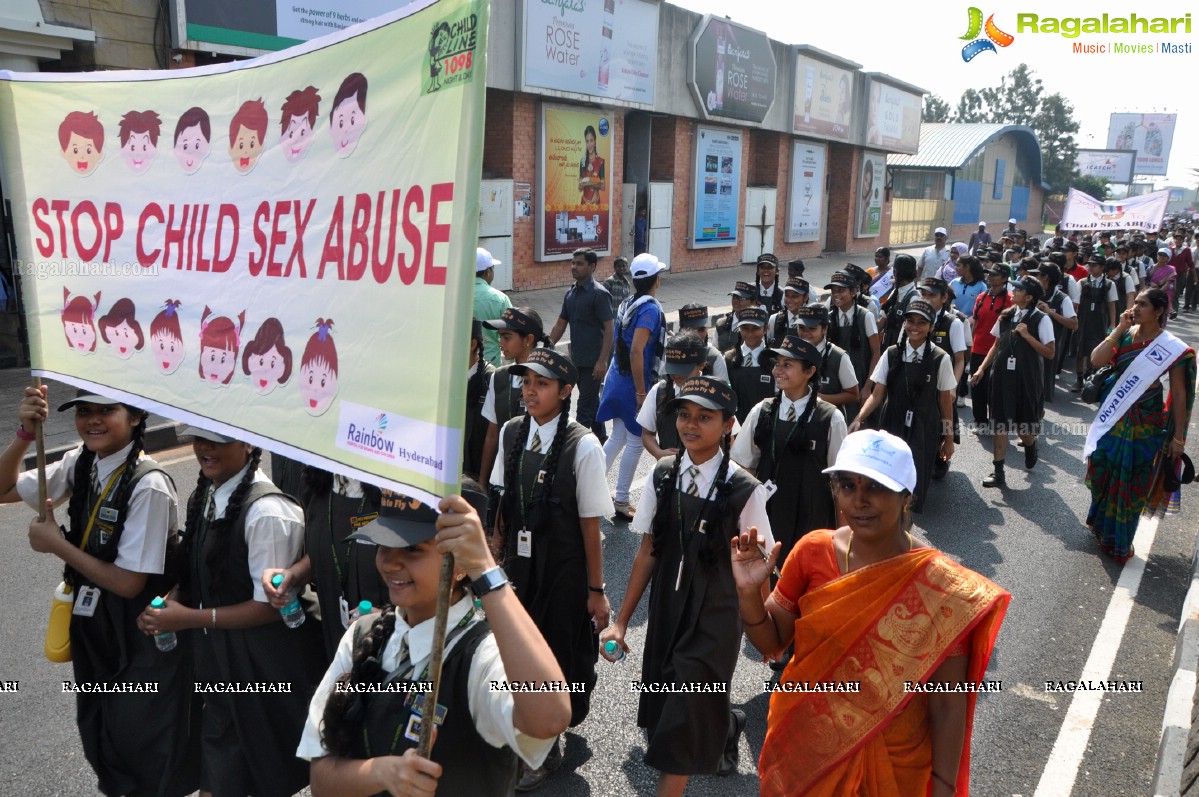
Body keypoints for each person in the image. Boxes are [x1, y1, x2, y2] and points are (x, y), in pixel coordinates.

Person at [733, 430, 1010, 797]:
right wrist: (749, 593)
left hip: (894, 765)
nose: (859, 501)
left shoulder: (938, 586)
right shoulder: (812, 551)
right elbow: (771, 642)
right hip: (805, 748)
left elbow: (947, 700)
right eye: (847, 485)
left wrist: (943, 788)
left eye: (876, 487)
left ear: (906, 496)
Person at [298, 487, 572, 796]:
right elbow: (321, 780)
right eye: (383, 544)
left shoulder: (481, 657)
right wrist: (383, 772)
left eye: (412, 549)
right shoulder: (362, 634)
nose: (389, 563)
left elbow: (550, 718)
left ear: (459, 565)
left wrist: (486, 571)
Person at [0, 387, 197, 797]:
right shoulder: (82, 460)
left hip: (141, 635)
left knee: (146, 748)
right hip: (95, 626)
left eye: (107, 410)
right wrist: (23, 434)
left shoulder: (150, 485)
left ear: (137, 417)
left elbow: (129, 583)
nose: (93, 420)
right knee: (102, 736)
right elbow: (3, 489)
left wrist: (58, 544)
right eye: (84, 411)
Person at [603, 376, 773, 794]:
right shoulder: (663, 474)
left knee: (681, 713)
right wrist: (620, 622)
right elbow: (648, 550)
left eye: (705, 417)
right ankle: (727, 724)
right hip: (667, 607)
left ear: (729, 424)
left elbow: (760, 566)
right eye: (684, 414)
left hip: (715, 615)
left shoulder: (744, 489)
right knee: (670, 700)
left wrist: (769, 636)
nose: (691, 424)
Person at [142, 427, 324, 797]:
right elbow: (200, 575)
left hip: (261, 673)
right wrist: (171, 601)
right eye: (198, 439)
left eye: (218, 440)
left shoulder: (269, 512)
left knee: (265, 775)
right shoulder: (206, 495)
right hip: (219, 667)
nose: (204, 448)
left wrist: (188, 619)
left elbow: (268, 609)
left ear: (249, 443)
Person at [490, 347, 612, 789]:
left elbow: (590, 524)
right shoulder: (510, 433)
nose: (530, 391)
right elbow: (504, 506)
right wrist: (492, 562)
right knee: (514, 649)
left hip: (564, 569)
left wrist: (596, 589)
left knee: (556, 650)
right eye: (526, 383)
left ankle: (546, 742)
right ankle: (520, 726)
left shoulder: (584, 445)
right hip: (519, 568)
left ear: (565, 392)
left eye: (541, 384)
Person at [1084, 289, 1195, 562]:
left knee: (1133, 479)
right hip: (1113, 415)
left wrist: (1178, 437)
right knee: (1102, 468)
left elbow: (1179, 394)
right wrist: (1121, 325)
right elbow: (1096, 360)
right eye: (1135, 303)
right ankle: (1101, 525)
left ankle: (1119, 541)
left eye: (1142, 304)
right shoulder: (1124, 333)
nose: (1135, 308)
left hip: (1145, 421)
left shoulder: (1171, 347)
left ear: (1158, 311)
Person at [732, 335, 846, 566]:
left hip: (813, 514)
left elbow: (840, 480)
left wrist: (844, 533)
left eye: (787, 365)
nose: (778, 371)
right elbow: (742, 465)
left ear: (809, 372)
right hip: (768, 511)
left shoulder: (830, 418)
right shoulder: (761, 411)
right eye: (777, 364)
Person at [262, 468, 389, 664]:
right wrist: (294, 574)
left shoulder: (399, 494)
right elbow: (326, 552)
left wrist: (391, 618)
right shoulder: (318, 482)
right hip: (337, 643)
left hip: (389, 651)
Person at [851, 300, 955, 513]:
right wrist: (859, 418)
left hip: (924, 426)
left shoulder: (940, 358)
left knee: (915, 480)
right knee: (888, 475)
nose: (914, 327)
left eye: (921, 322)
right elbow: (877, 394)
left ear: (931, 327)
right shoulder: (891, 354)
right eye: (910, 321)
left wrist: (949, 438)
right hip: (892, 422)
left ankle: (904, 526)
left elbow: (945, 402)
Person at [598, 253, 667, 520]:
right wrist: (641, 392)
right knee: (636, 442)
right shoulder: (649, 309)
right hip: (633, 383)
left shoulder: (628, 302)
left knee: (618, 437)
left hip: (618, 377)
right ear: (655, 280)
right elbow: (638, 351)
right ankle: (622, 499)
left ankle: (588, 486)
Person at [970, 277, 1055, 489]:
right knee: (999, 424)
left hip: (1027, 379)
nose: (1013, 291)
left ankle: (1030, 444)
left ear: (1029, 297)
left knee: (1022, 426)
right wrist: (981, 369)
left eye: (1019, 289)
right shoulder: (1006, 316)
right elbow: (996, 345)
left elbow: (1050, 353)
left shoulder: (1041, 319)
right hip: (1001, 377)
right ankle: (998, 471)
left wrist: (1027, 336)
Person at [478, 307, 551, 490]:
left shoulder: (550, 380)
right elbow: (492, 434)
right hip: (503, 476)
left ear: (528, 340)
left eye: (507, 337)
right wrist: (482, 481)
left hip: (537, 478)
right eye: (500, 336)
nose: (501, 343)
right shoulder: (499, 377)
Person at [549, 248, 614, 441]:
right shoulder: (571, 293)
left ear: (592, 267)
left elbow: (609, 329)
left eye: (579, 263)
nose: (574, 267)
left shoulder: (599, 294)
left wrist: (602, 361)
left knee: (583, 410)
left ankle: (576, 449)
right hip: (576, 360)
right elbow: (561, 323)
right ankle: (601, 439)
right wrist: (548, 346)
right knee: (591, 402)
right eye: (573, 263)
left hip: (594, 362)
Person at [639, 331, 709, 461]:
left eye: (683, 369)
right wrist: (658, 453)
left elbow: (729, 440)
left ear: (701, 365)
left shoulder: (714, 393)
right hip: (668, 472)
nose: (677, 374)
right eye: (673, 369)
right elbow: (647, 434)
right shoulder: (659, 391)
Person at [825, 270, 880, 419]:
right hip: (836, 382)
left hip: (860, 378)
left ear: (854, 292)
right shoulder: (828, 319)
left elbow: (876, 353)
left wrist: (868, 387)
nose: (836, 294)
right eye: (833, 291)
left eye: (841, 290)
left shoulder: (865, 316)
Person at [792, 304, 860, 417]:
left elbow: (853, 395)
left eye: (812, 328)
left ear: (824, 329)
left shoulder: (839, 357)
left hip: (827, 420)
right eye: (801, 328)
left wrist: (817, 399)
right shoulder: (791, 353)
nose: (805, 333)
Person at [969, 263, 1012, 426]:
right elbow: (976, 323)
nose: (990, 276)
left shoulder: (1010, 300)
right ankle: (980, 421)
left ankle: (997, 421)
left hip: (999, 351)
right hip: (978, 348)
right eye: (990, 274)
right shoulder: (981, 297)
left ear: (1004, 279)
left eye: (995, 274)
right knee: (976, 386)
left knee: (994, 389)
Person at [1070, 256, 1117, 393]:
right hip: (1083, 320)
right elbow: (1076, 303)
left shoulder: (1109, 284)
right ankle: (1079, 380)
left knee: (1094, 349)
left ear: (1102, 267)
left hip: (1099, 321)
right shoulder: (1082, 282)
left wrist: (1112, 324)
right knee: (1080, 349)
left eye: (1094, 265)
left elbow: (1111, 304)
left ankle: (1090, 376)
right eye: (1089, 265)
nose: (1090, 267)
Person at [722, 307, 775, 425]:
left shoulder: (775, 361)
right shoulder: (728, 359)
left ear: (765, 328)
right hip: (735, 426)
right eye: (745, 328)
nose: (750, 333)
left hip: (765, 426)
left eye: (755, 328)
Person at [1035, 264, 1077, 405]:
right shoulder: (1034, 292)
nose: (1035, 277)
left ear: (1046, 277)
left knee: (1045, 381)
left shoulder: (1062, 298)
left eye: (1038, 274)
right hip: (1030, 342)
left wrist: (1051, 312)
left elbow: (1074, 324)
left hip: (1049, 345)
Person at [463, 319, 495, 480]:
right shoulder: (448, 376)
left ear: (472, 344)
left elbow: (493, 433)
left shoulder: (490, 378)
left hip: (478, 464)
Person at [474, 248, 513, 367]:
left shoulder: (454, 296)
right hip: (490, 364)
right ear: (488, 271)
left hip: (458, 366)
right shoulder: (500, 299)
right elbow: (512, 333)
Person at [677, 303, 730, 382]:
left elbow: (724, 389)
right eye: (691, 329)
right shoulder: (674, 353)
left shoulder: (714, 356)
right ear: (682, 329)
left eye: (701, 329)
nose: (697, 334)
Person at [879, 254, 919, 350]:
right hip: (887, 347)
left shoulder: (914, 298)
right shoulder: (895, 292)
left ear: (896, 272)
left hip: (900, 351)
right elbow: (881, 322)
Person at [766, 277, 811, 347]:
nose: (789, 300)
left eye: (795, 296)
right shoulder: (774, 319)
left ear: (805, 297)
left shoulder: (811, 321)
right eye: (787, 295)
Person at [715, 282, 756, 352]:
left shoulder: (757, 326)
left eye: (741, 298)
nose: (736, 301)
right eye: (734, 297)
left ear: (752, 302)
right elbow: (715, 349)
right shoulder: (721, 324)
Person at [578, 125, 605, 205]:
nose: (589, 144)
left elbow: (603, 187)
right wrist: (582, 184)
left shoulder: (601, 161)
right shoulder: (583, 161)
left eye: (591, 140)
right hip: (584, 203)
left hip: (595, 204)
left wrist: (590, 182)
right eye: (587, 141)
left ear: (595, 141)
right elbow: (579, 188)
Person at [602, 256, 632, 320]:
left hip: (623, 320)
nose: (621, 268)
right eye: (619, 266)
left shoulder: (627, 284)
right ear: (615, 268)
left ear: (626, 267)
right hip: (611, 320)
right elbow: (602, 302)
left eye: (623, 266)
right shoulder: (609, 282)